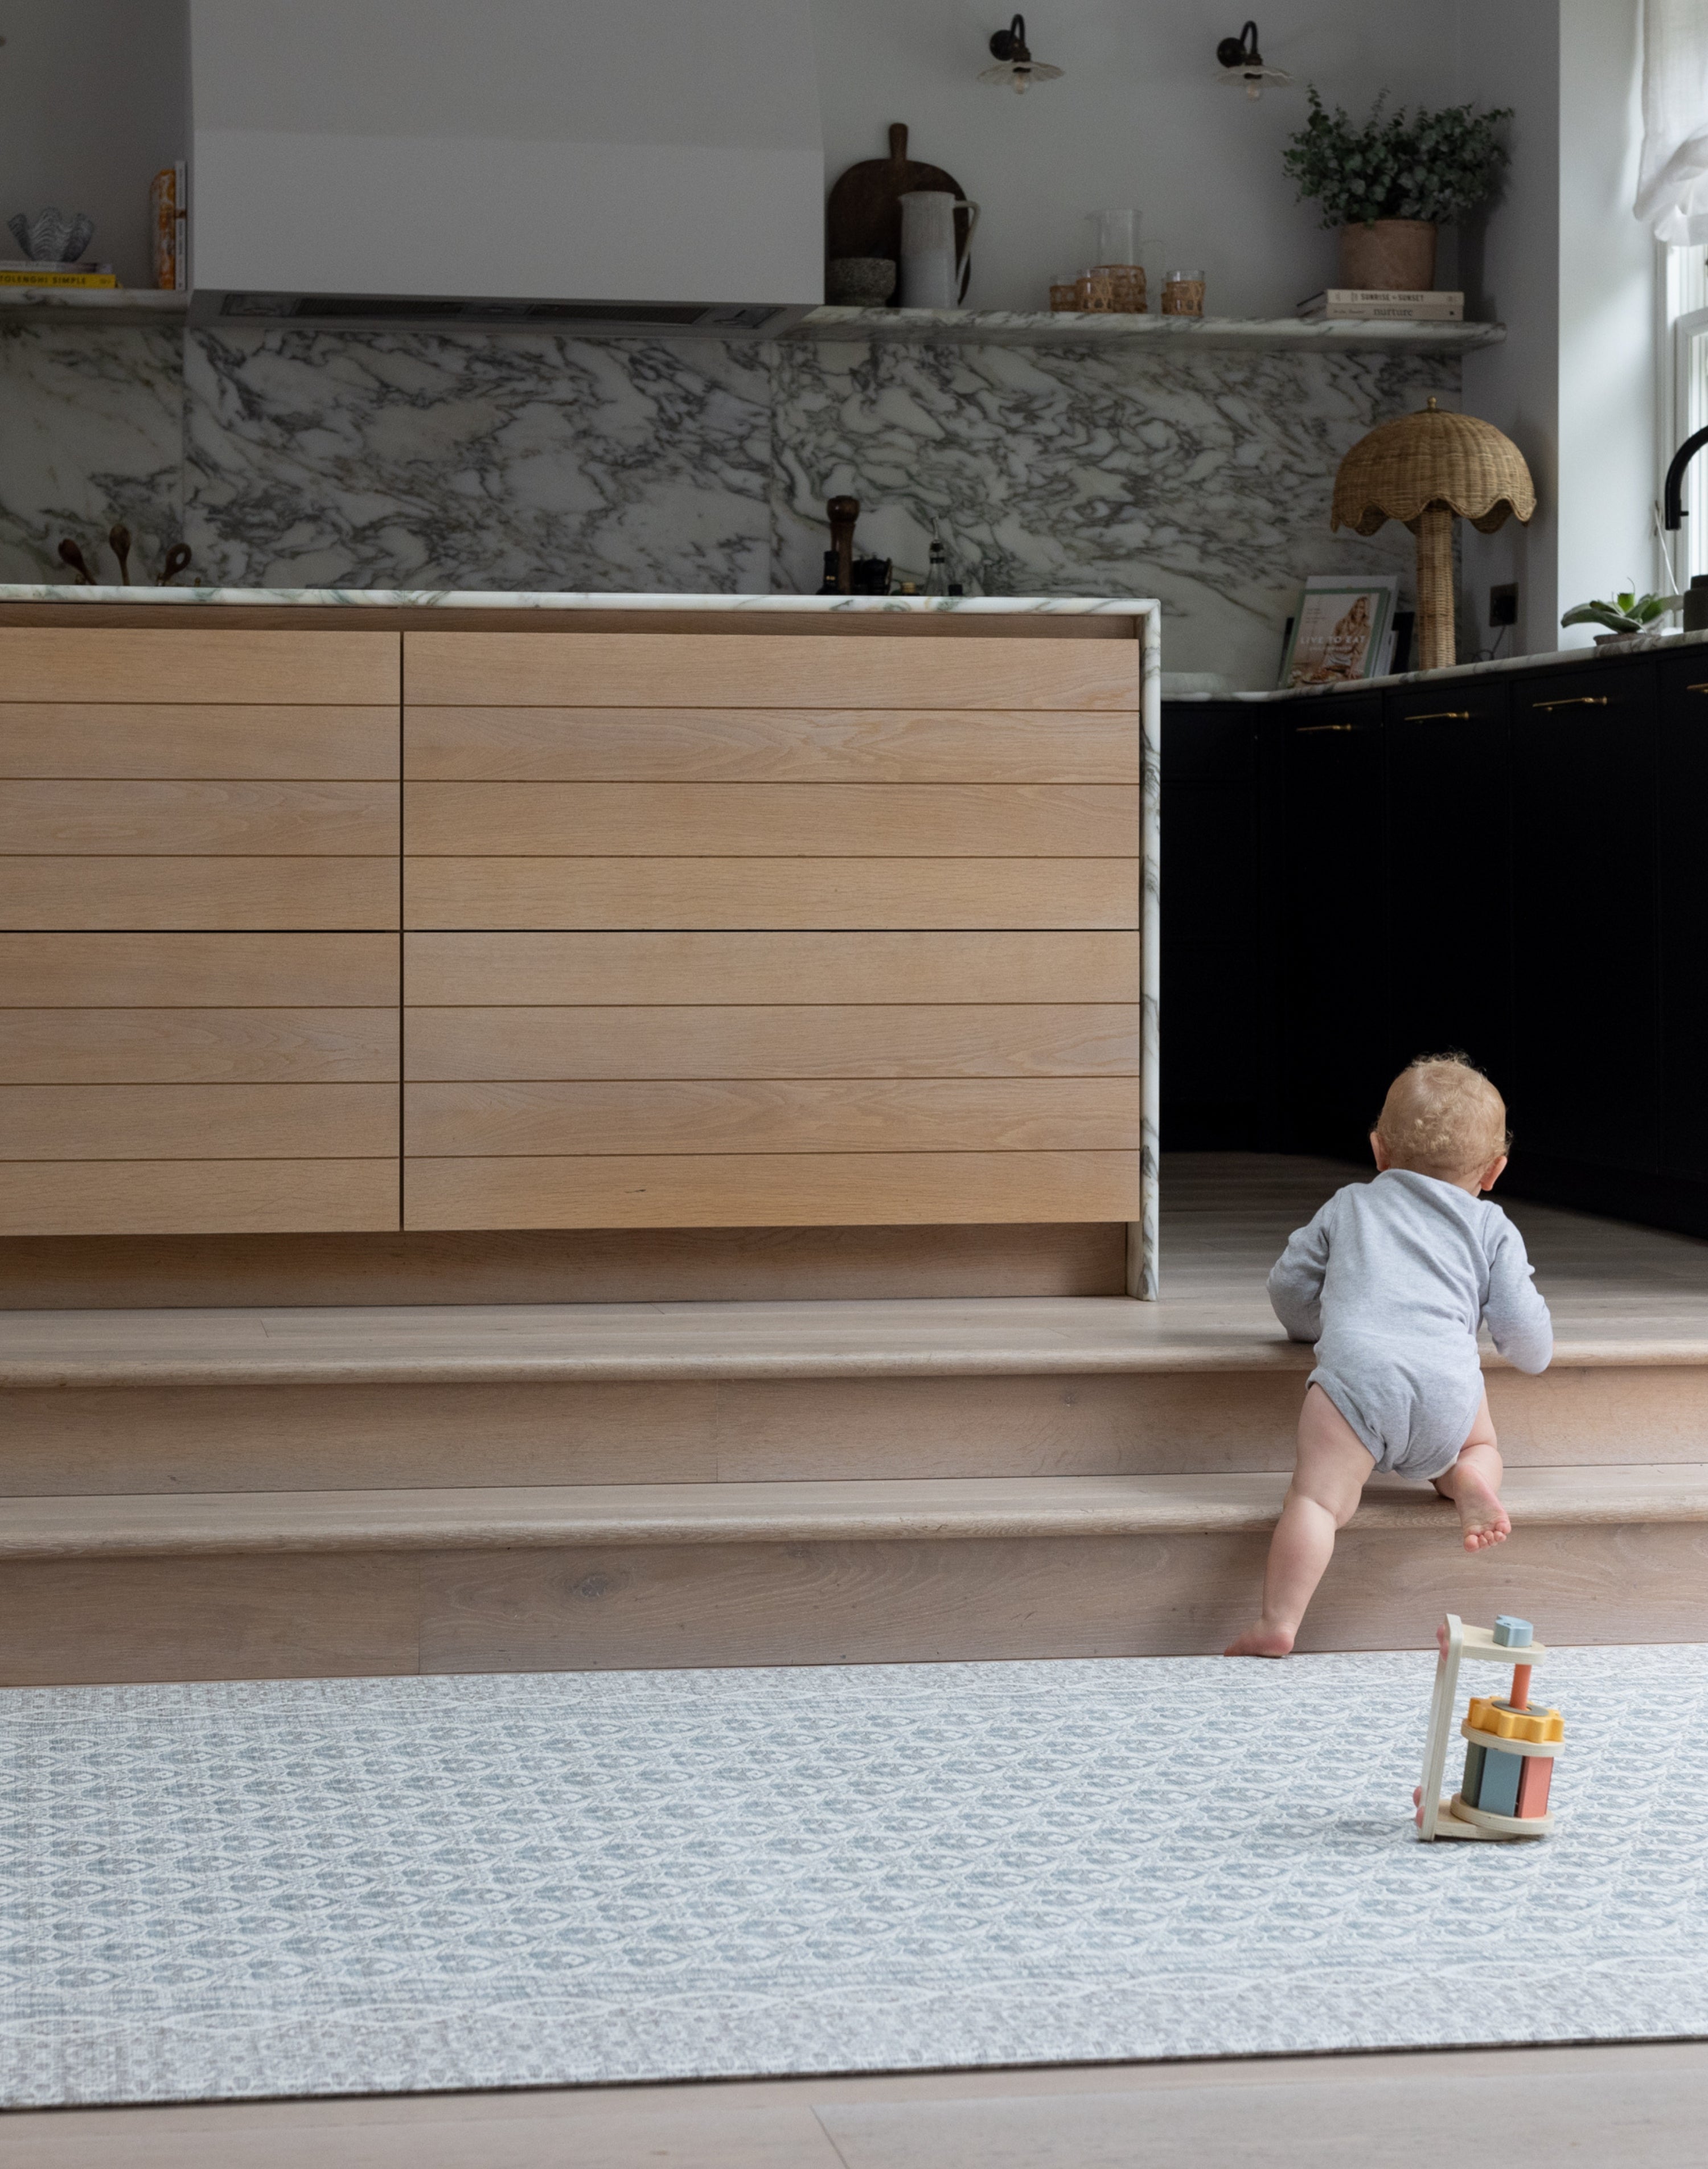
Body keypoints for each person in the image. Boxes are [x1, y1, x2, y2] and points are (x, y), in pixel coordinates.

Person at [1226, 1055, 1553, 1659]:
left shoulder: (1350, 1204)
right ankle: (1466, 1479)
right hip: (1448, 1387)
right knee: (1480, 1445)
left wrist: (1313, 1330)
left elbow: (1289, 1288)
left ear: (1378, 1149)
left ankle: (1279, 1619)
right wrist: (1535, 1351)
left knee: (1318, 1501)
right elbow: (1524, 1335)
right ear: (1495, 1170)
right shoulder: (1491, 1226)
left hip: (1357, 1380)